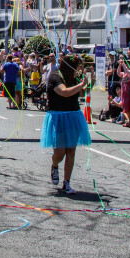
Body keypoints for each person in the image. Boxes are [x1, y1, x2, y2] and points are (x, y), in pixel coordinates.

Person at [41, 54, 93, 194]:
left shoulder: (75, 79)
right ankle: (55, 165)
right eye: (78, 67)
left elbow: (82, 93)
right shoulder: (55, 77)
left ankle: (66, 182)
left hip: (73, 115)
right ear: (70, 67)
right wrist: (81, 85)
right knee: (60, 152)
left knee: (71, 150)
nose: (79, 70)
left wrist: (90, 81)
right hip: (58, 116)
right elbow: (64, 92)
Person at [117, 61, 130, 126]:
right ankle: (128, 120)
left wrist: (123, 64)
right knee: (125, 105)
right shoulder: (123, 74)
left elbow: (127, 71)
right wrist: (120, 65)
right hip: (125, 92)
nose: (126, 66)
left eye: (128, 65)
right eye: (126, 65)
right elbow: (118, 73)